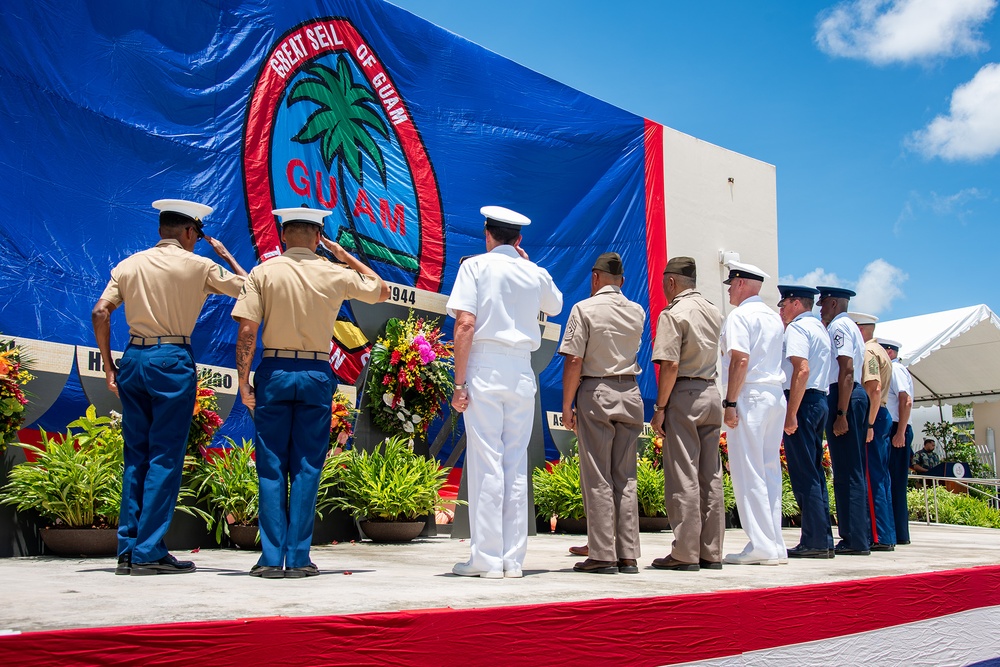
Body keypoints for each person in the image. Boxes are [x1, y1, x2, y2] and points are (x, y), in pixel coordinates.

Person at [92, 199, 247, 576]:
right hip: (171, 358)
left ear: (162, 230)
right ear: (190, 232)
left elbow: (100, 312)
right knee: (165, 457)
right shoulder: (199, 264)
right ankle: (148, 551)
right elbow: (251, 288)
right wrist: (225, 255)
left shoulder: (128, 265)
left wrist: (110, 366)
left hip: (132, 358)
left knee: (136, 458)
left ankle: (128, 550)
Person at [232, 207, 387, 579]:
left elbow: (247, 331)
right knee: (306, 467)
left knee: (271, 467)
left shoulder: (263, 272)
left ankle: (271, 559)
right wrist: (344, 255)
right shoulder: (334, 272)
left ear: (283, 235)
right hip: (316, 371)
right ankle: (299, 559)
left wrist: (242, 382)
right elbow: (380, 290)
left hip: (274, 369)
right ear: (319, 237)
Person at [447, 206, 563, 579]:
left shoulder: (476, 267)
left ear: (487, 234)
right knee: (515, 466)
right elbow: (556, 304)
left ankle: (486, 559)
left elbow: (465, 324)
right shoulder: (535, 272)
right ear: (519, 240)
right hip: (520, 370)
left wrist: (459, 383)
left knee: (486, 465)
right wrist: (528, 266)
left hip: (485, 365)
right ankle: (513, 560)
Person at [559, 252, 645, 575]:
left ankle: (603, 553)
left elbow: (574, 361)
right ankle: (628, 555)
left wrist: (568, 405)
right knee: (625, 477)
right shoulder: (638, 311)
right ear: (622, 281)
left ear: (595, 279)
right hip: (630, 393)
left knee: (597, 476)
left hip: (597, 392)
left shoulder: (584, 308)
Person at [649, 256, 725, 572]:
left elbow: (670, 365)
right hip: (711, 392)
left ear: (671, 282)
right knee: (711, 476)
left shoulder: (674, 313)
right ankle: (711, 551)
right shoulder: (713, 310)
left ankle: (685, 552)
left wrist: (660, 408)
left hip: (684, 394)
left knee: (683, 475)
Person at [718, 261, 787, 566]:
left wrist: (730, 402)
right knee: (770, 470)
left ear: (743, 283)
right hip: (774, 395)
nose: (730, 290)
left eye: (732, 284)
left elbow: (740, 360)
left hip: (751, 394)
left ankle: (761, 544)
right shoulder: (774, 318)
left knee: (749, 471)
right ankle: (775, 543)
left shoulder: (740, 316)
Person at [777, 285, 834, 559]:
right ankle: (822, 538)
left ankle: (813, 540)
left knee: (804, 474)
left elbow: (802, 369)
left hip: (802, 401)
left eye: (785, 303)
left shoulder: (797, 328)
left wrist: (790, 413)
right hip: (819, 399)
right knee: (815, 473)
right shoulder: (820, 328)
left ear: (796, 303)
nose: (782, 309)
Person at [817, 286, 870, 555]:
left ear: (835, 303)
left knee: (848, 472)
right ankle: (855, 535)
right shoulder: (848, 325)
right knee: (850, 470)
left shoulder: (839, 326)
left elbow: (846, 369)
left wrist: (841, 413)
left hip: (844, 395)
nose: (820, 307)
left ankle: (855, 538)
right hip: (849, 394)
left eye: (824, 302)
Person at [852, 312, 895, 551]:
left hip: (874, 415)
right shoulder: (879, 351)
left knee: (872, 477)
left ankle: (878, 535)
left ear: (859, 329)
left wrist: (868, 423)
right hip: (881, 414)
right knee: (880, 476)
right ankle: (885, 533)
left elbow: (874, 388)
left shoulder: (869, 351)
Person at [879, 337, 913, 544]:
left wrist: (900, 432)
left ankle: (900, 533)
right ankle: (896, 531)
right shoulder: (895, 368)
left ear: (889, 352)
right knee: (891, 481)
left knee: (896, 483)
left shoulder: (896, 369)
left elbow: (905, 400)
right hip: (894, 427)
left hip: (896, 428)